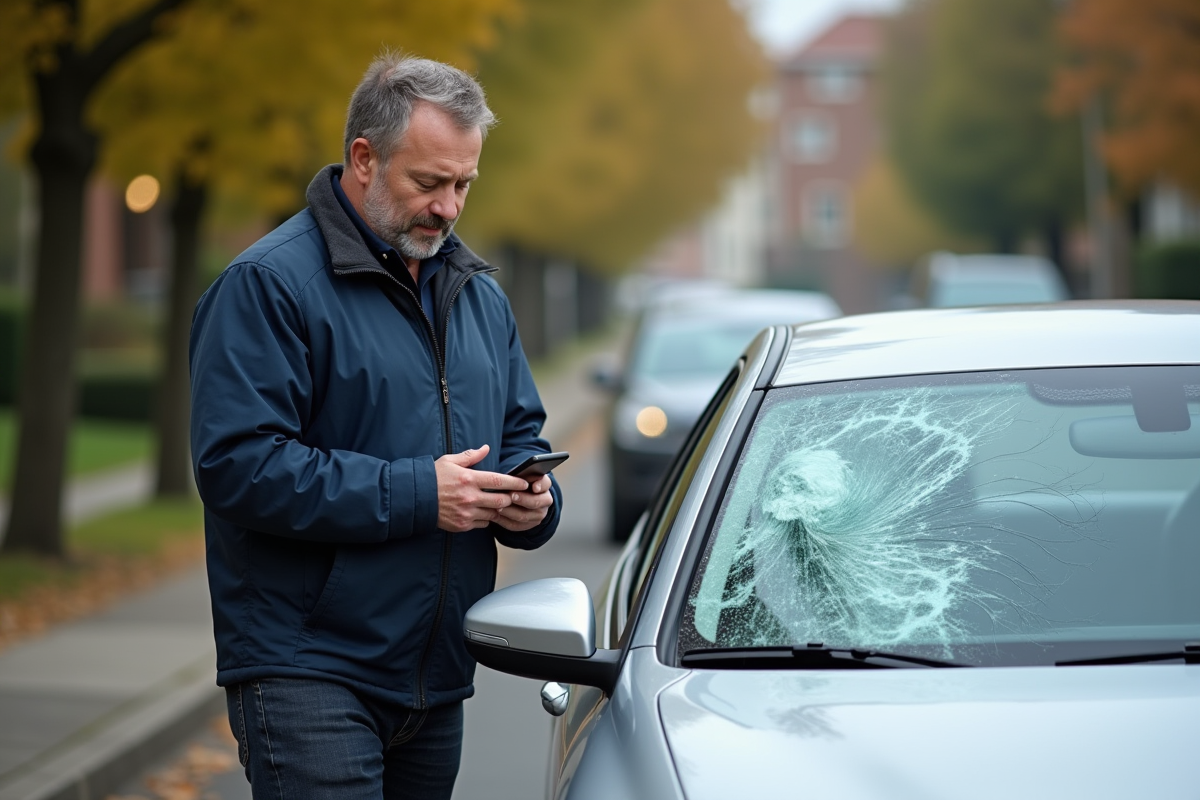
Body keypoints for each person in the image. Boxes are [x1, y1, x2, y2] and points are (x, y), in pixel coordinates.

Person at [189, 53, 562, 800]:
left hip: (435, 679)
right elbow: (238, 466)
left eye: (463, 185)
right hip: (306, 670)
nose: (450, 208)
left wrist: (534, 505)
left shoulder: (478, 294)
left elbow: (521, 435)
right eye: (428, 183)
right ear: (363, 158)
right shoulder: (267, 285)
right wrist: (423, 494)